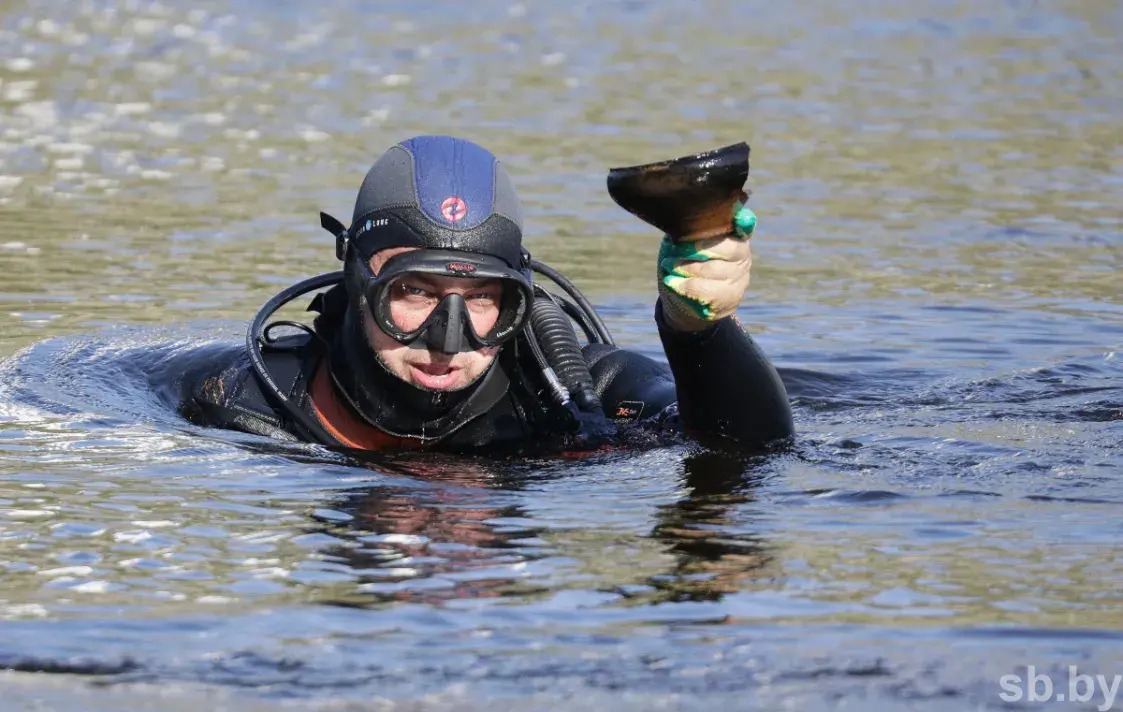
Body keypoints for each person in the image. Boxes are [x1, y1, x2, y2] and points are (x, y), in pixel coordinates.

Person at [176, 135, 793, 452]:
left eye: (481, 298)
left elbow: (749, 448)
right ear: (359, 280)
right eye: (413, 291)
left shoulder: (585, 394)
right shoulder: (244, 406)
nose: (449, 339)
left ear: (520, 298)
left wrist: (699, 334)